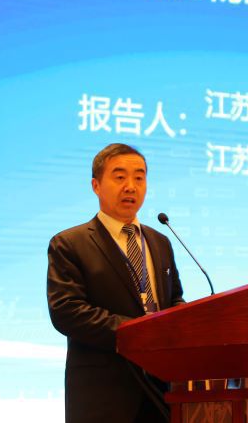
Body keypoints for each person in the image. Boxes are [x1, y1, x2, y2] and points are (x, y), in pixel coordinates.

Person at [47, 143, 185, 423]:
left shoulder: (160, 241)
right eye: (120, 177)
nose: (131, 186)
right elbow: (67, 312)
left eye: (139, 177)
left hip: (162, 393)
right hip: (104, 395)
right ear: (96, 185)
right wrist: (139, 334)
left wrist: (190, 321)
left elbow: (173, 300)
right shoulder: (70, 243)